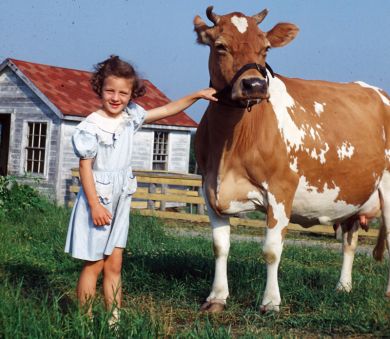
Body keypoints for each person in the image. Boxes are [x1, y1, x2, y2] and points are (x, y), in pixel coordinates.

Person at [64, 55, 217, 323]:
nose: (116, 98)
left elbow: (168, 110)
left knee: (115, 264)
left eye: (123, 93)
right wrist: (96, 205)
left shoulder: (130, 117)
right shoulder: (91, 126)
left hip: (121, 197)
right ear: (100, 88)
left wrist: (198, 94)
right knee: (95, 264)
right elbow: (85, 169)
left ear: (132, 94)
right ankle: (84, 324)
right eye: (110, 90)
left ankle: (113, 322)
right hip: (97, 199)